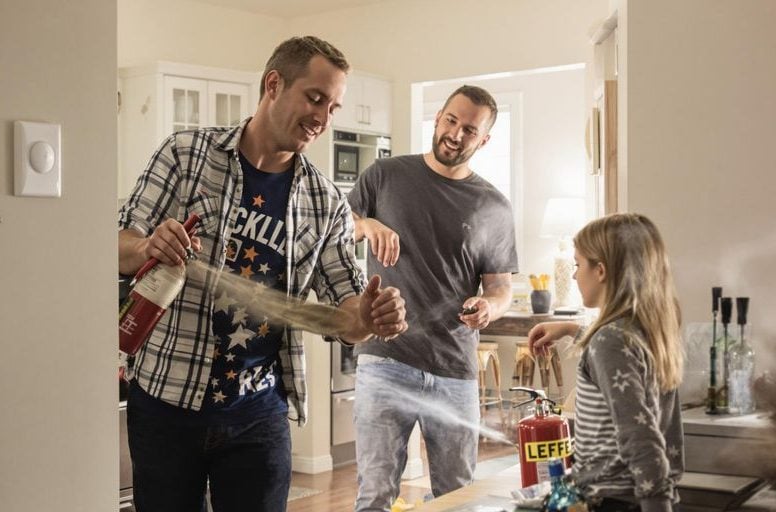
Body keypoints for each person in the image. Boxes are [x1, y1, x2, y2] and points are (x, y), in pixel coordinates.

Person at [117, 36, 408, 512]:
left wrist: (371, 317)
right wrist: (148, 246)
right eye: (315, 98)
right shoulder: (185, 156)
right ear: (273, 84)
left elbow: (347, 314)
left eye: (333, 107)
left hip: (257, 414)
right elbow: (116, 245)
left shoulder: (325, 202)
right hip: (166, 405)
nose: (323, 118)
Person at [347, 85, 518, 511]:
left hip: (454, 368)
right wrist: (368, 225)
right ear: (439, 117)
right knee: (375, 495)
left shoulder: (494, 206)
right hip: (385, 359)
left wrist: (489, 306)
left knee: (457, 496)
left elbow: (500, 286)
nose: (456, 134)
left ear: (484, 140)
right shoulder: (385, 175)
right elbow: (339, 224)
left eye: (470, 130)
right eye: (451, 121)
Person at [528, 213, 685, 512]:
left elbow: (640, 437)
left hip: (615, 501)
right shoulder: (649, 331)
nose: (574, 275)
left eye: (577, 264)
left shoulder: (609, 342)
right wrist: (572, 330)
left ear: (600, 270)